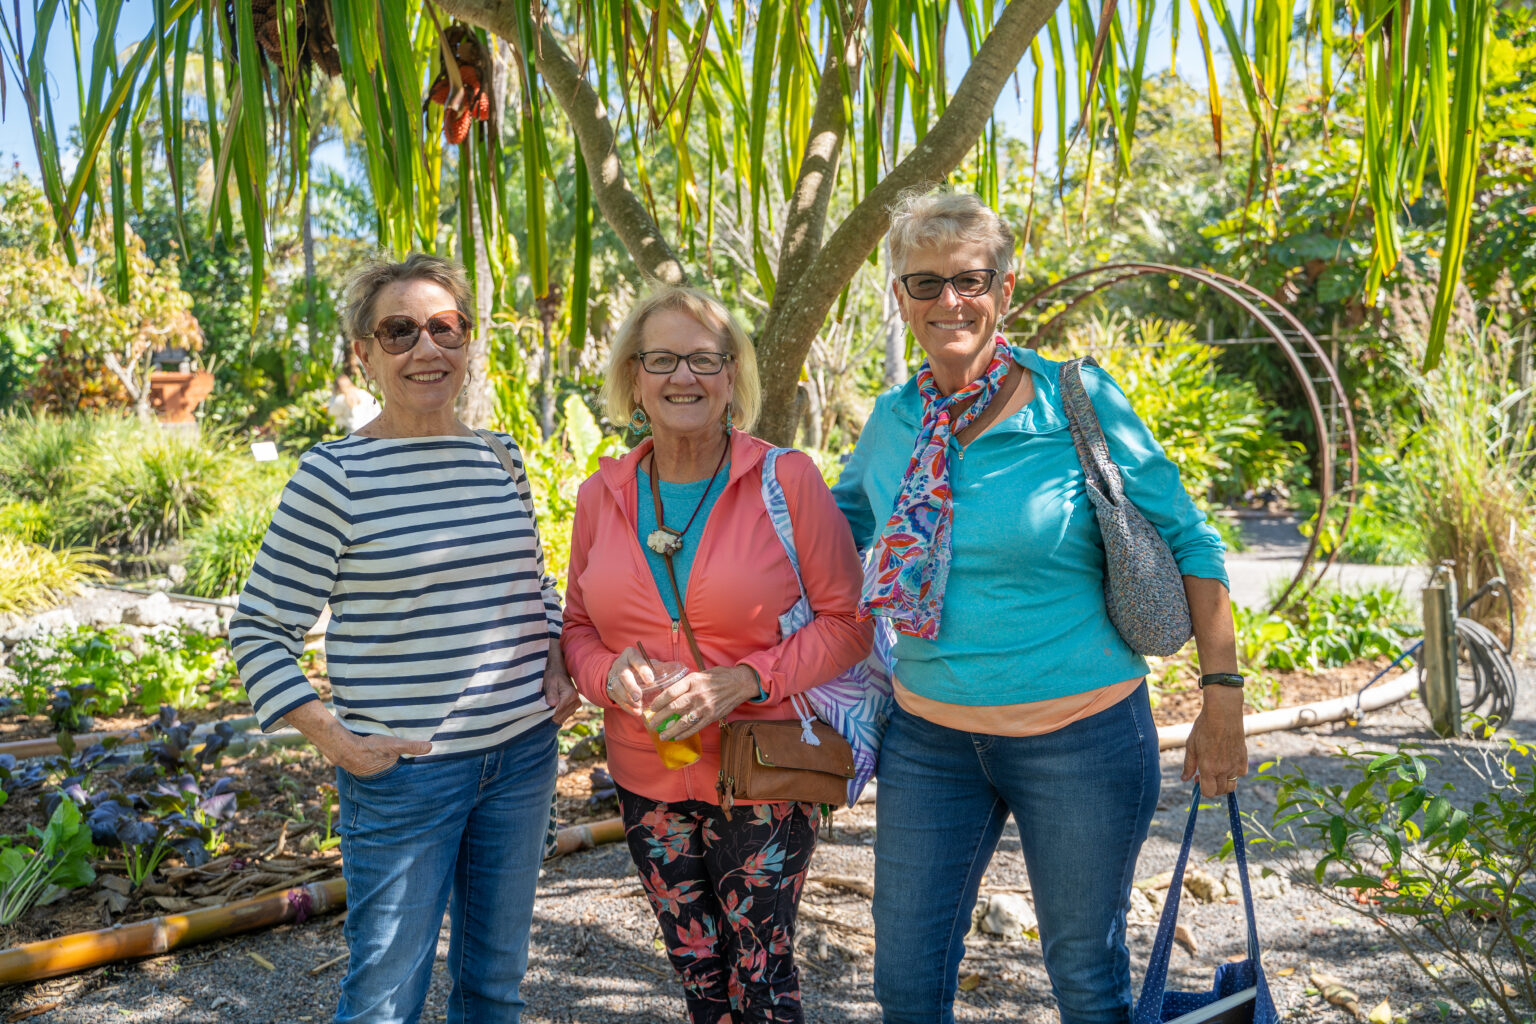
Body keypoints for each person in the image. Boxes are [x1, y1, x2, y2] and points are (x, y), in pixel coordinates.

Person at [831, 190, 1248, 1024]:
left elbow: (1192, 542)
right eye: (925, 283)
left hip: (1083, 737)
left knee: (1086, 980)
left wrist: (1223, 700)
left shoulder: (1074, 401)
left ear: (1005, 288)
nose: (950, 301)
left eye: (970, 280)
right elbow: (834, 529)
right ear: (902, 297)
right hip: (929, 740)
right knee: (905, 982)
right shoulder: (894, 420)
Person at [229, 253, 579, 1024]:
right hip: (404, 776)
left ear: (467, 342)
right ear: (365, 353)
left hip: (522, 758)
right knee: (384, 1001)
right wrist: (338, 742)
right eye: (401, 331)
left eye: (446, 328)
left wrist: (558, 660)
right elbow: (258, 628)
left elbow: (536, 588)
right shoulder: (335, 476)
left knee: (495, 988)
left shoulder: (501, 457)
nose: (428, 348)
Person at [562, 287, 873, 1024]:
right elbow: (576, 628)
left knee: (760, 976)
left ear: (732, 375)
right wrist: (608, 675)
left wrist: (744, 679)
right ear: (634, 377)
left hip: (761, 768)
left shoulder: (786, 480)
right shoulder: (602, 493)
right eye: (662, 359)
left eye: (704, 359)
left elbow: (850, 622)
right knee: (698, 975)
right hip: (646, 772)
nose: (684, 377)